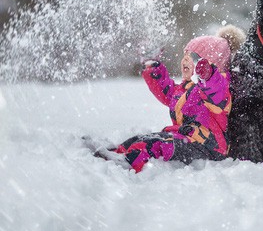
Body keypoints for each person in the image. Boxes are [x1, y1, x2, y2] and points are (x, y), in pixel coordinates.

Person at [94, 25, 245, 173]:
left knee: (156, 144)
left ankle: (128, 162)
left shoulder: (221, 87)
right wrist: (152, 65)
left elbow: (215, 90)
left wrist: (209, 75)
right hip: (187, 138)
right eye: (187, 56)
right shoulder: (190, 89)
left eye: (196, 58)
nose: (189, 61)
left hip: (208, 146)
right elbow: (167, 91)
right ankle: (117, 151)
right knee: (142, 138)